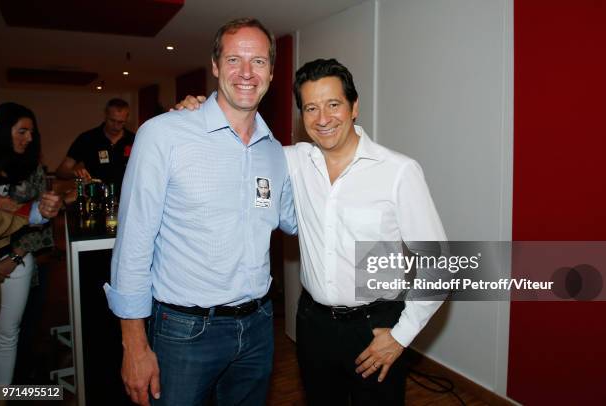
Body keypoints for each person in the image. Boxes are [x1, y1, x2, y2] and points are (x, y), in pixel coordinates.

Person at [178, 58, 448, 405]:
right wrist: (198, 113)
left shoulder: (398, 171)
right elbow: (235, 149)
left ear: (354, 107)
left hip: (375, 326)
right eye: (311, 108)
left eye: (333, 104)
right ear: (301, 116)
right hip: (313, 325)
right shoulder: (289, 160)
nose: (323, 118)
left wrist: (400, 336)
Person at [104, 18, 296, 406]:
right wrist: (133, 344)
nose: (246, 73)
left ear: (272, 73)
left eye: (258, 62)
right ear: (215, 65)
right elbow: (133, 244)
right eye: (234, 60)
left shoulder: (275, 153)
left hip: (258, 328)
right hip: (184, 332)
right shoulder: (164, 134)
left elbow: (295, 219)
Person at [0, 102, 62, 385]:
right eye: (21, 131)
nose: (29, 138)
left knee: (8, 335)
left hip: (17, 262)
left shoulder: (31, 167)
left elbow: (36, 220)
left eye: (31, 132)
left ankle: (4, 397)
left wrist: (16, 255)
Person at [55, 98, 135, 191]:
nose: (116, 126)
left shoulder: (134, 139)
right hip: (94, 199)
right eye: (112, 121)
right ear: (105, 115)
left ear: (127, 119)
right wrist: (76, 173)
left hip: (126, 199)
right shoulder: (87, 138)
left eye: (121, 122)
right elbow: (61, 171)